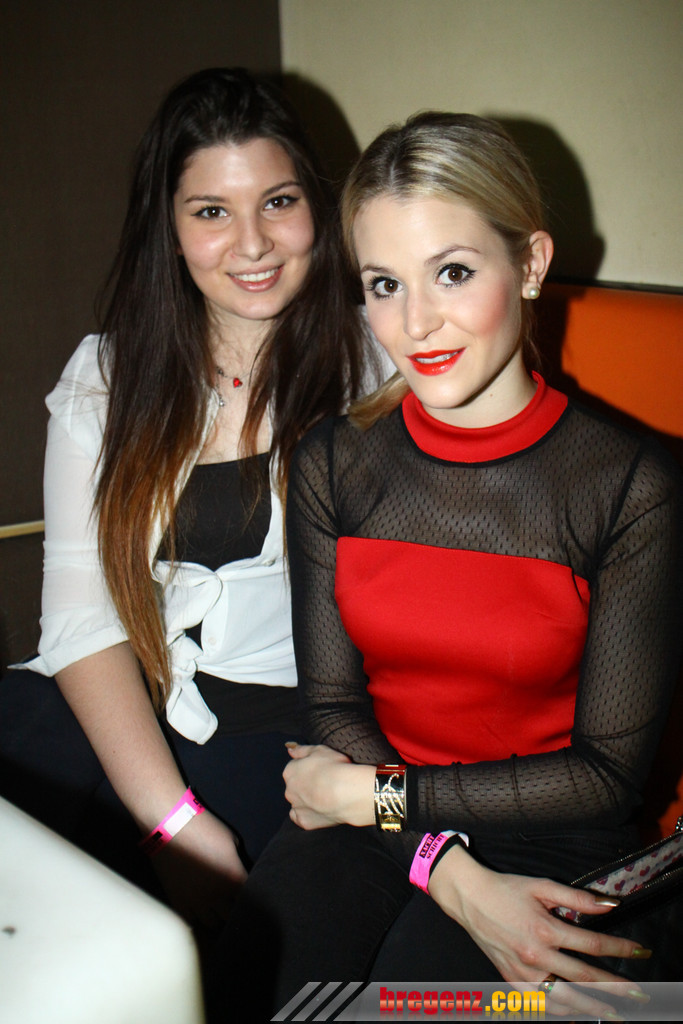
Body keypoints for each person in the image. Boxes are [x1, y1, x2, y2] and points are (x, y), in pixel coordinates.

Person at [217, 112, 682, 1015]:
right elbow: (333, 707)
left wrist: (370, 795)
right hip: (369, 814)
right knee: (248, 990)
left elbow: (602, 776)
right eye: (383, 284)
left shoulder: (629, 486)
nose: (414, 322)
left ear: (532, 263)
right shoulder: (333, 463)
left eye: (454, 273)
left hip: (547, 833)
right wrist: (442, 864)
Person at [0, 67, 378, 926]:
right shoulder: (105, 375)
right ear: (168, 230)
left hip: (279, 741)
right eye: (211, 212)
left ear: (316, 208)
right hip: (109, 709)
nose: (252, 244)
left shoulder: (382, 361)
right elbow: (78, 621)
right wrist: (172, 823)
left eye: (277, 202)